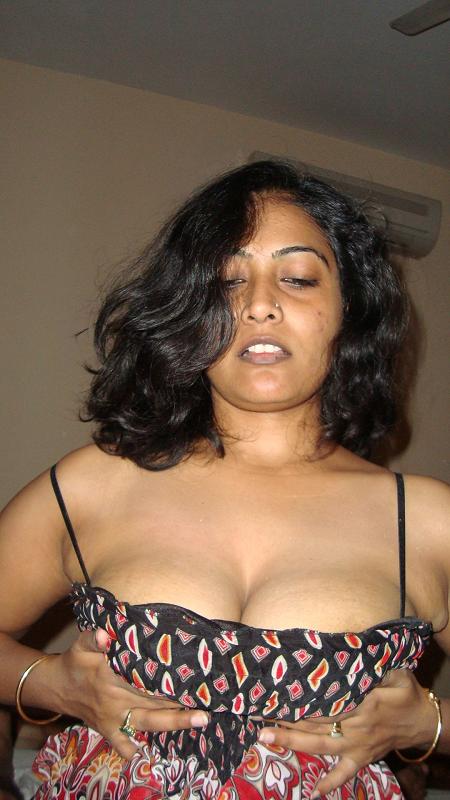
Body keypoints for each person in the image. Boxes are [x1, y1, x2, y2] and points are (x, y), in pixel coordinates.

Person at [0, 160, 448, 800]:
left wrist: (427, 723)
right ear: (190, 312)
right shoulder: (93, 483)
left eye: (298, 278)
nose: (260, 304)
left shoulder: (425, 520)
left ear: (347, 308)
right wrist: (50, 683)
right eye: (228, 281)